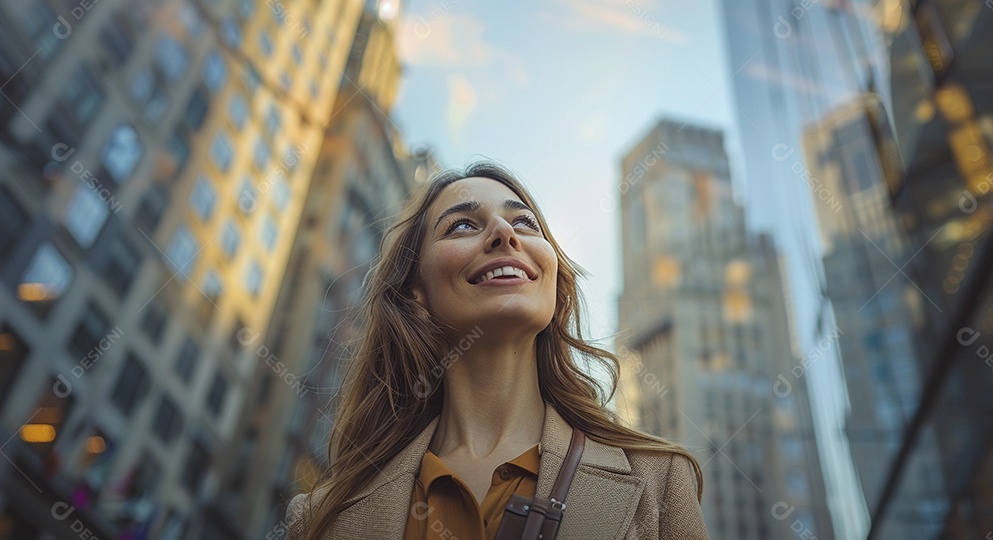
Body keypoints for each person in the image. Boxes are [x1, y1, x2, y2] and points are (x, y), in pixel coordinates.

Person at [286, 161, 707, 539]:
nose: (504, 233)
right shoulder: (318, 521)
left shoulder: (660, 480)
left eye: (524, 222)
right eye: (463, 225)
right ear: (416, 293)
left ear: (552, 283)